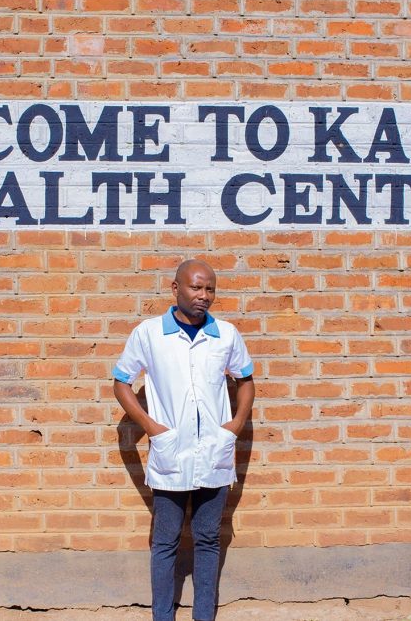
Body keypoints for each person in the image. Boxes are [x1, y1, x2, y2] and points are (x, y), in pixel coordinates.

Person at [112, 259, 255, 621]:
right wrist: (151, 426)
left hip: (214, 452)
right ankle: (163, 616)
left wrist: (235, 425)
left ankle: (203, 616)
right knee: (165, 542)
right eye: (195, 287)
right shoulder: (148, 334)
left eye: (210, 289)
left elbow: (246, 381)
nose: (203, 295)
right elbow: (121, 383)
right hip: (171, 452)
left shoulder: (226, 334)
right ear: (175, 288)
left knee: (208, 540)